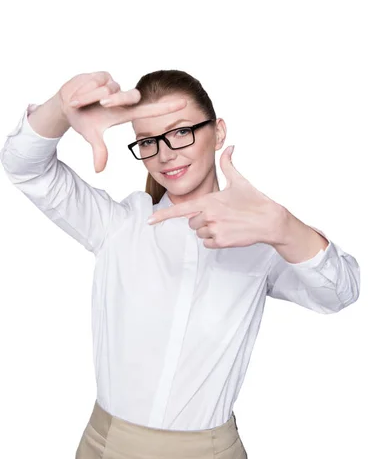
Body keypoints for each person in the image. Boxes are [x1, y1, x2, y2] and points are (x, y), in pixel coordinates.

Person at [0, 69, 360, 459]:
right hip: (105, 445)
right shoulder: (119, 225)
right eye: (148, 141)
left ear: (218, 132)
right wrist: (59, 108)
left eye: (181, 132)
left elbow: (340, 293)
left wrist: (285, 228)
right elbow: (26, 167)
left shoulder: (262, 238)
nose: (165, 153)